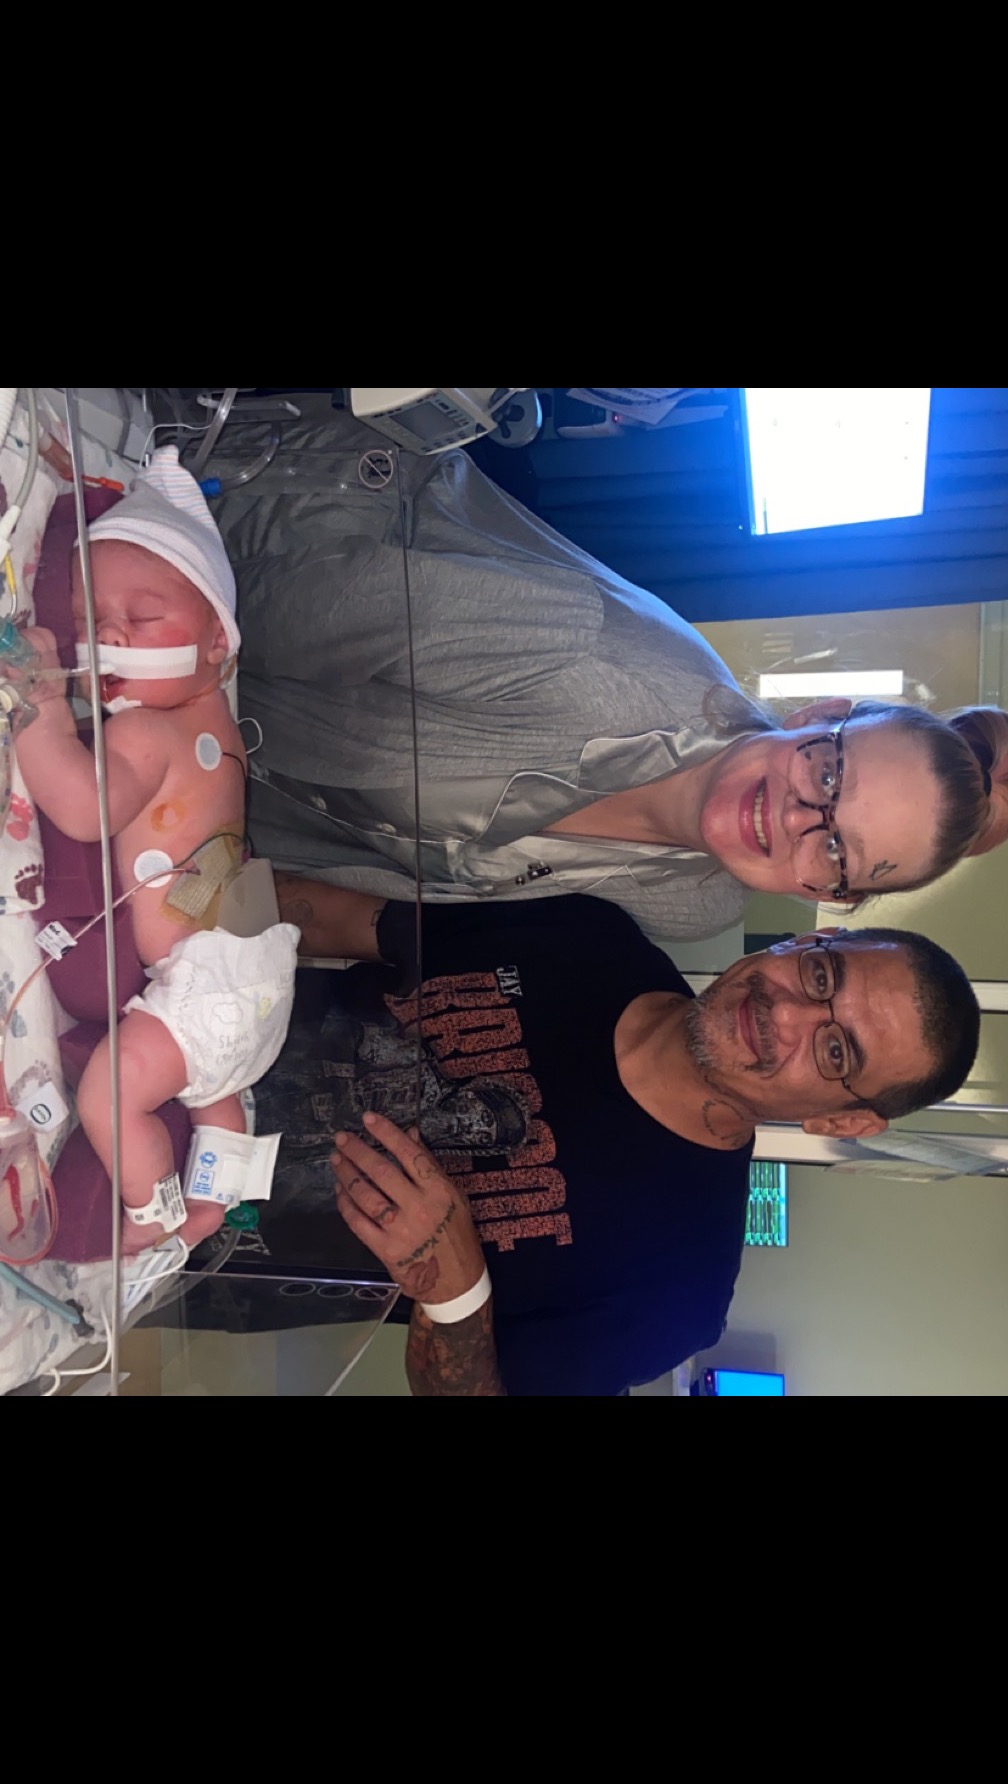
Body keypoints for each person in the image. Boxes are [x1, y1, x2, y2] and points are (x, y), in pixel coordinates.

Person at [206, 400, 1008, 941]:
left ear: (828, 894)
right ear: (817, 715)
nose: (798, 818)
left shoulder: (696, 904)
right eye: (829, 775)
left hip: (224, 768)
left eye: (835, 849)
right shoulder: (599, 660)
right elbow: (302, 609)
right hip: (256, 532)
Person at [251, 874, 981, 1396]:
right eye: (820, 977)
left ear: (839, 1122)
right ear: (807, 939)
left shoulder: (677, 1293)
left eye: (834, 1051)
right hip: (193, 1032)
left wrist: (457, 1291)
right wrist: (203, 902)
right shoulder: (588, 933)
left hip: (205, 1248)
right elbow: (346, 920)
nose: (784, 1014)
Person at [15, 448, 299, 1255]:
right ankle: (222, 1199)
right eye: (91, 620)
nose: (108, 635)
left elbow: (81, 808)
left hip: (211, 988)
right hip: (251, 976)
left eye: (141, 620)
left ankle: (158, 1212)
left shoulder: (147, 730)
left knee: (112, 1094)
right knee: (215, 1083)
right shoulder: (219, 726)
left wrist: (40, 705)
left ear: (217, 643)